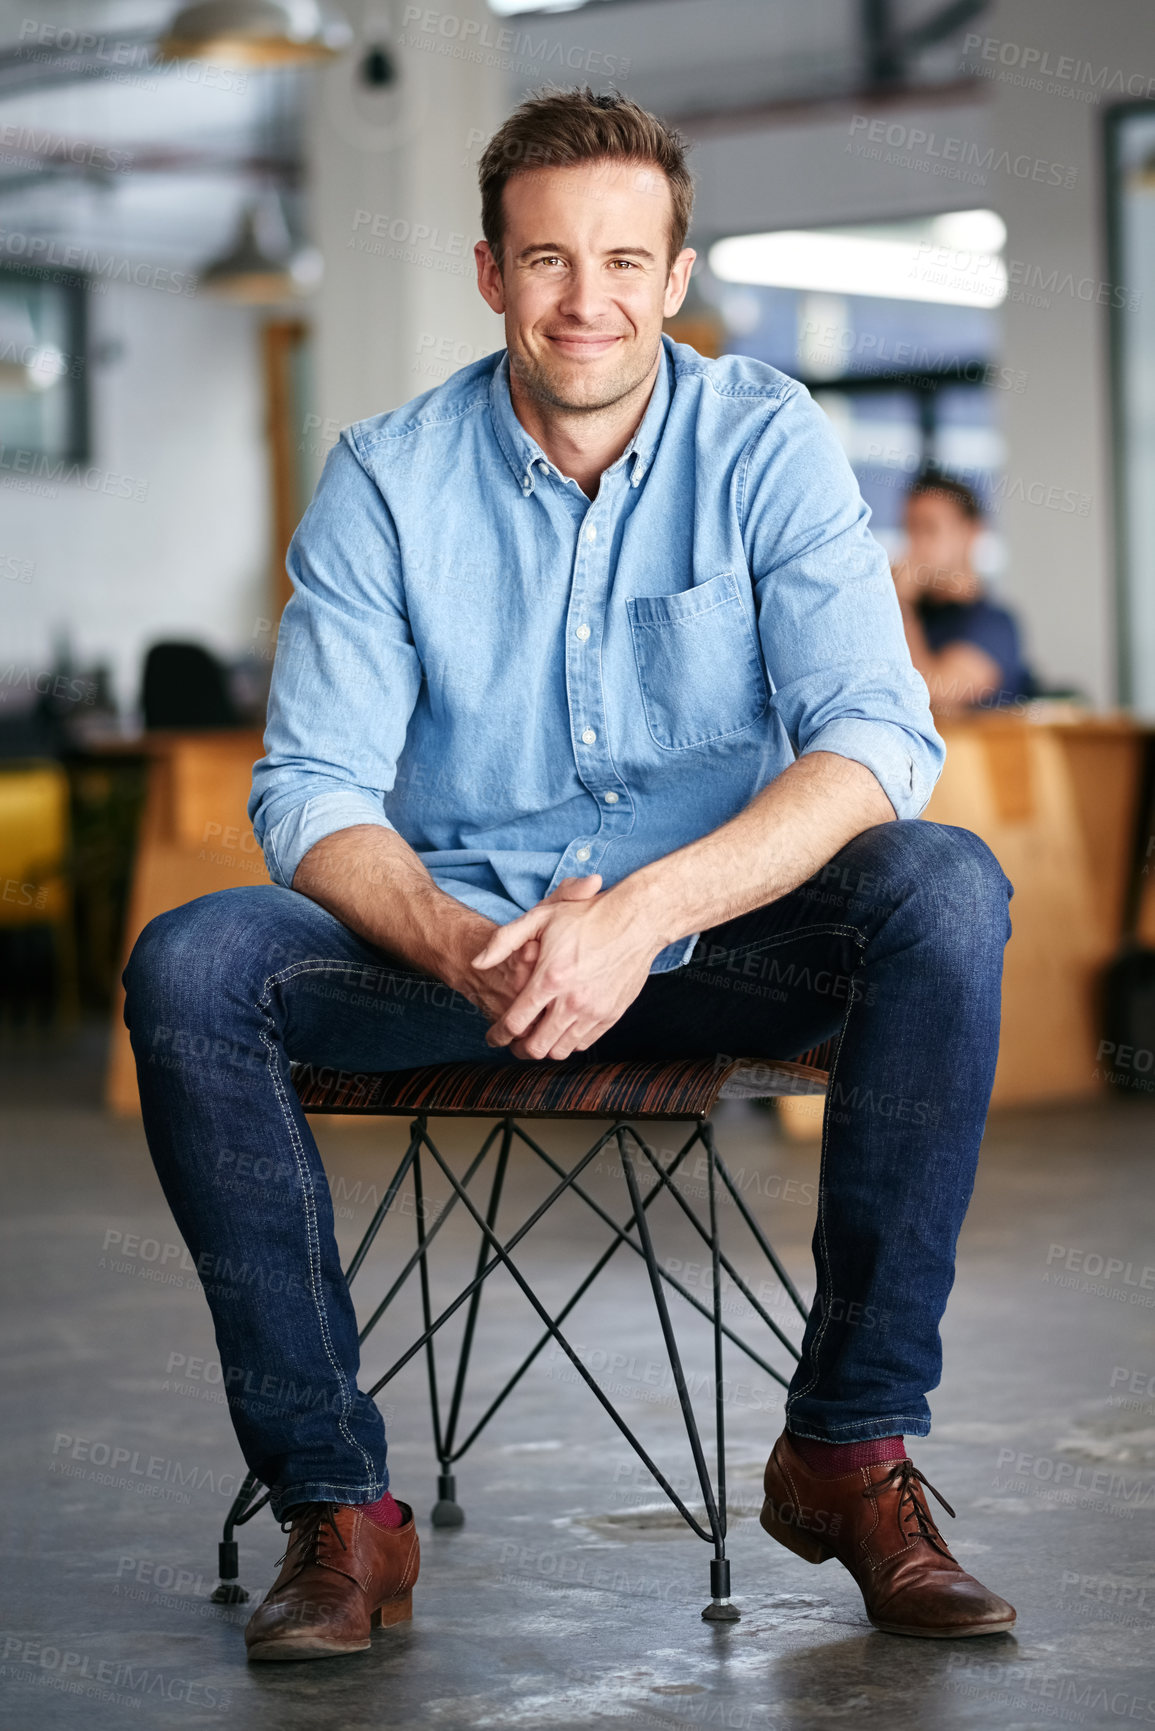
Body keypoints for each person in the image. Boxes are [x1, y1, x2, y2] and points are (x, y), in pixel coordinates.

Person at [123, 86, 1017, 1662]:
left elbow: (874, 735)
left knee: (942, 883)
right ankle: (339, 1510)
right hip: (450, 948)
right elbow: (313, 785)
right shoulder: (389, 477)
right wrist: (470, 943)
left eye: (622, 260)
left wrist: (645, 914)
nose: (584, 299)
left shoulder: (764, 440)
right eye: (545, 259)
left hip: (716, 941)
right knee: (192, 961)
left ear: (673, 276)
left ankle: (848, 1449)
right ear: (488, 273)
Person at [892, 473, 1034, 713]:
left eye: (929, 528)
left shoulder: (994, 624)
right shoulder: (913, 614)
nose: (916, 544)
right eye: (910, 529)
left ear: (971, 533)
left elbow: (934, 693)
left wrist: (901, 603)